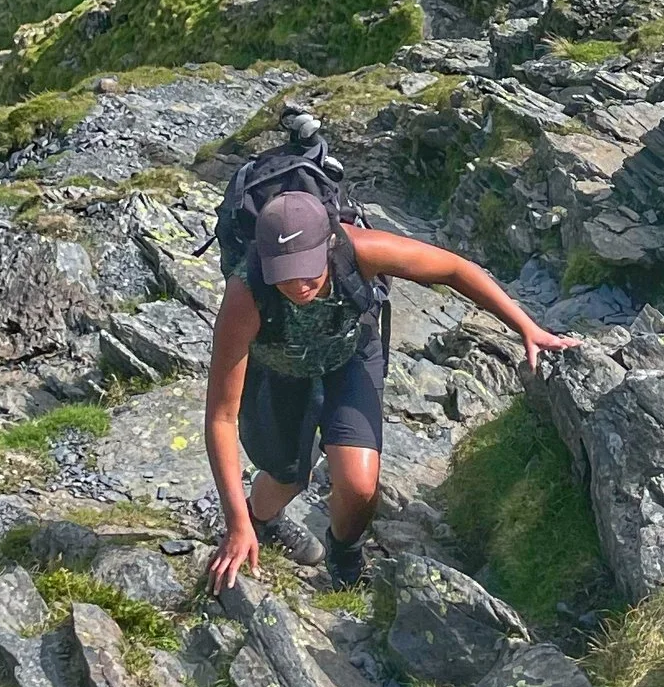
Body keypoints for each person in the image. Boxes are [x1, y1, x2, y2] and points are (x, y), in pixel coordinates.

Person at [204, 191, 577, 595]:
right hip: (280, 370)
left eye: (308, 270)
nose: (297, 285)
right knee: (288, 477)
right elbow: (221, 417)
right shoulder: (246, 295)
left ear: (329, 244)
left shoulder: (359, 250)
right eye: (285, 273)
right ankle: (263, 523)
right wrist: (237, 524)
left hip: (348, 354)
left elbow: (453, 269)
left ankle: (344, 558)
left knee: (360, 484)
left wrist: (526, 326)